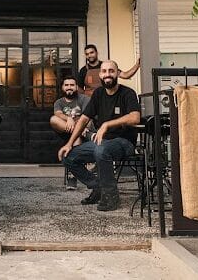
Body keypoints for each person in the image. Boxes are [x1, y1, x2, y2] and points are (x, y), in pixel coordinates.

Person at [59, 60, 141, 211]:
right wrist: (69, 144)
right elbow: (84, 119)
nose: (107, 74)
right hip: (102, 143)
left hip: (124, 142)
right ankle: (98, 187)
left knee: (101, 150)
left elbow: (135, 117)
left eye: (111, 71)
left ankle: (111, 196)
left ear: (117, 73)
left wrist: (107, 124)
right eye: (104, 71)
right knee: (68, 156)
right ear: (100, 75)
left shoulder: (127, 93)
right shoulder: (98, 94)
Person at [50, 75, 90, 189]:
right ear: (62, 87)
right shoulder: (59, 102)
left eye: (72, 85)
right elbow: (58, 114)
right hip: (67, 131)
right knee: (53, 119)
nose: (69, 87)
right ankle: (77, 132)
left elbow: (88, 116)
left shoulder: (84, 99)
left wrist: (79, 127)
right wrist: (69, 118)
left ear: (76, 87)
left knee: (76, 136)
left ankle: (73, 177)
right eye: (66, 85)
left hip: (84, 131)